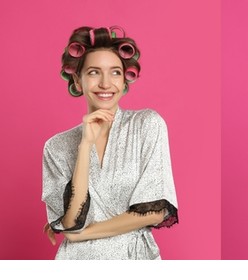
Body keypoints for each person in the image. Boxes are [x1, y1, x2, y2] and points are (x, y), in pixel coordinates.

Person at [42, 26, 179, 260]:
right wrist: (84, 146)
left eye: (115, 72)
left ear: (125, 78)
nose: (106, 83)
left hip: (134, 258)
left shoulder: (147, 125)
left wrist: (81, 234)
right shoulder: (56, 147)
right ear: (77, 80)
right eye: (94, 72)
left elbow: (155, 212)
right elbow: (71, 221)